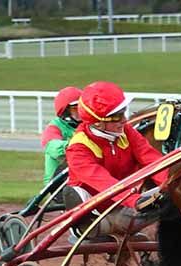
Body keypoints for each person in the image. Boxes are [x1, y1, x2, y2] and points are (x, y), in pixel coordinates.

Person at [63, 81, 169, 238]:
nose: (124, 120)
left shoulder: (126, 131)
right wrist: (135, 201)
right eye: (117, 116)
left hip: (124, 201)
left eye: (123, 112)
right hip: (96, 213)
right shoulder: (79, 148)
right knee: (168, 207)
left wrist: (171, 181)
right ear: (98, 122)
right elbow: (106, 184)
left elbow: (151, 159)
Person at [41, 86, 82, 185]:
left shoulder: (87, 125)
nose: (81, 111)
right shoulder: (54, 127)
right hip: (58, 185)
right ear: (65, 111)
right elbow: (53, 148)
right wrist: (74, 146)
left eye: (82, 107)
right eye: (75, 108)